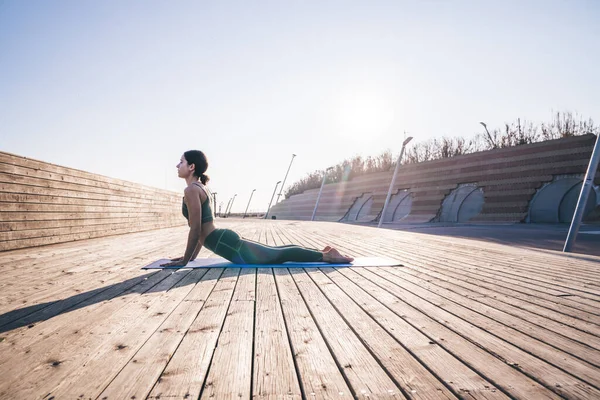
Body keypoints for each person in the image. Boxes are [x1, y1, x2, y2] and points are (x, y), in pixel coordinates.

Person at [160, 150, 354, 267]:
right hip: (222, 239)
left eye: (181, 162)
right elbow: (200, 229)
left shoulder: (191, 190)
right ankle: (323, 252)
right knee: (277, 251)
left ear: (192, 166)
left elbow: (196, 229)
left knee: (278, 255)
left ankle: (327, 256)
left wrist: (185, 261)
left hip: (223, 242)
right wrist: (190, 258)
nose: (177, 165)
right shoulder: (199, 188)